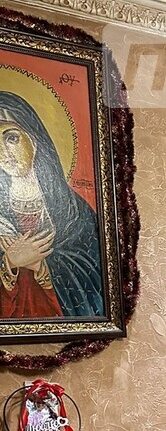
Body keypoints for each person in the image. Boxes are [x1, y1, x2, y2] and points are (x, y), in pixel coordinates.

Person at [0, 91, 103, 319]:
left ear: (34, 138)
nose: (4, 153)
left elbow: (96, 273)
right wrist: (9, 262)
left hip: (57, 315)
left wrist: (40, 265)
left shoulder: (73, 209)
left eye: (12, 138)